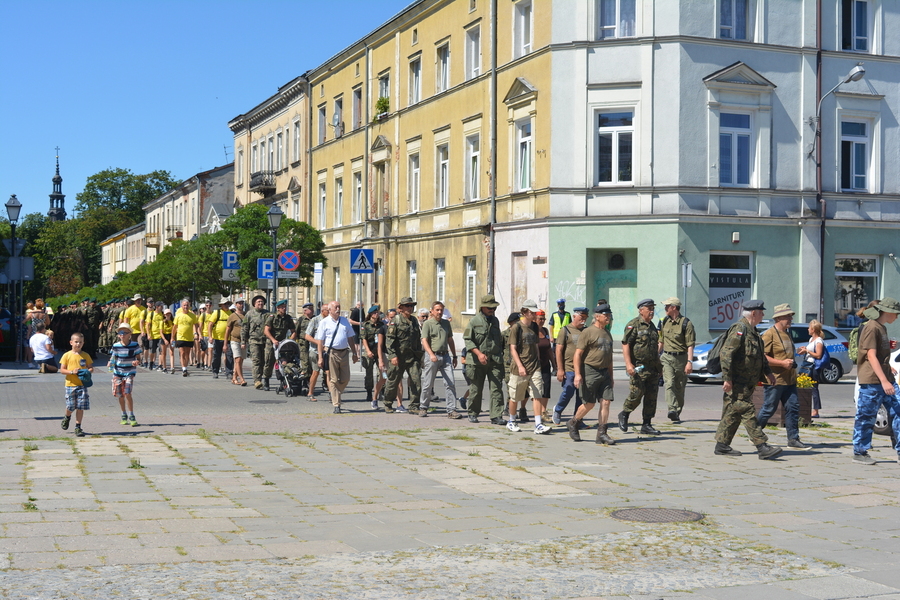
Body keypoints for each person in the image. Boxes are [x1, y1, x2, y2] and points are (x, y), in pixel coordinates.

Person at [714, 300, 782, 459]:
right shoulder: (740, 329)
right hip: (738, 382)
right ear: (753, 313)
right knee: (747, 410)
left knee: (732, 413)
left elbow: (760, 357)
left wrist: (768, 373)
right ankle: (762, 446)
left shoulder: (754, 332)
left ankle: (722, 445)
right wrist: (727, 378)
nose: (763, 315)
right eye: (761, 312)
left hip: (747, 381)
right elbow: (726, 354)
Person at [851, 297, 900, 465]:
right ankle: (860, 451)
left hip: (886, 378)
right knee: (866, 416)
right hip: (872, 380)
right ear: (887, 311)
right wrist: (884, 381)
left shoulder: (881, 328)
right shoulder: (872, 327)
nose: (897, 317)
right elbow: (870, 355)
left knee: (898, 410)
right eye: (896, 313)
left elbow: (879, 354)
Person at [756, 303, 809, 449]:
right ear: (779, 318)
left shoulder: (787, 333)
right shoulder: (769, 334)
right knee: (769, 408)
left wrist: (798, 353)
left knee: (793, 407)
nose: (791, 319)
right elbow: (763, 357)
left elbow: (786, 354)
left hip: (789, 379)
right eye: (788, 316)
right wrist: (781, 363)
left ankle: (793, 439)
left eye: (791, 316)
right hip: (775, 379)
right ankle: (755, 433)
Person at [569, 304, 616, 444]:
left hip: (605, 372)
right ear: (597, 316)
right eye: (605, 315)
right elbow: (577, 355)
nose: (608, 317)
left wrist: (611, 376)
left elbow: (609, 357)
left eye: (609, 315)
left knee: (606, 401)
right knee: (589, 404)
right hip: (590, 370)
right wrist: (578, 374)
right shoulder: (588, 332)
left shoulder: (607, 333)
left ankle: (602, 433)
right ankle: (574, 422)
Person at [618, 299, 663, 435]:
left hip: (653, 367)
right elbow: (626, 344)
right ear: (641, 310)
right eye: (648, 308)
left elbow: (655, 348)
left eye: (652, 308)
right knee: (636, 394)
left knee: (651, 397)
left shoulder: (652, 326)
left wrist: (659, 367)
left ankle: (647, 424)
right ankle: (624, 414)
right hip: (639, 367)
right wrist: (628, 364)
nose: (651, 311)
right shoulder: (634, 325)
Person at [506, 299, 551, 434]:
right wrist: (520, 365)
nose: (534, 315)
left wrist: (537, 359)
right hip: (519, 368)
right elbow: (513, 348)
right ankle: (512, 421)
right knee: (515, 396)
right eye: (532, 312)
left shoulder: (535, 327)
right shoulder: (517, 327)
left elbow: (536, 345)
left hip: (534, 367)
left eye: (535, 312)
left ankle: (538, 424)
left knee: (537, 394)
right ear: (525, 312)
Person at [463, 294, 504, 424]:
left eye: (494, 308)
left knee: (496, 389)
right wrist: (479, 354)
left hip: (494, 361)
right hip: (476, 362)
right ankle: (473, 413)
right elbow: (468, 340)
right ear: (483, 307)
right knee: (475, 389)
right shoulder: (474, 321)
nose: (492, 310)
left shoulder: (495, 321)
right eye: (490, 308)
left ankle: (496, 416)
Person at [315, 300, 359, 413]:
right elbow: (320, 341)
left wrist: (355, 353)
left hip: (344, 352)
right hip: (331, 353)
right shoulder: (324, 322)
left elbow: (350, 338)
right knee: (334, 379)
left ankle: (336, 392)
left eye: (339, 307)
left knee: (346, 378)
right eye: (335, 307)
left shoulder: (344, 321)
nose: (338, 309)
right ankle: (336, 405)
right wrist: (320, 357)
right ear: (329, 310)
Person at [383, 297, 424, 414]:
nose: (410, 308)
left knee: (416, 380)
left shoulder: (414, 321)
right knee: (393, 382)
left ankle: (414, 406)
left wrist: (420, 356)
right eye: (407, 306)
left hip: (412, 357)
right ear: (401, 307)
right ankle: (388, 403)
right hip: (398, 357)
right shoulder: (395, 320)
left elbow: (417, 339)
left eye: (411, 306)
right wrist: (392, 356)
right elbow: (389, 340)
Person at [420, 301, 460, 418]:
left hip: (445, 356)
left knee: (450, 382)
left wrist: (454, 356)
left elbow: (450, 340)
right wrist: (431, 354)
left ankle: (451, 410)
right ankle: (423, 407)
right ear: (432, 311)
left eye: (441, 310)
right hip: (433, 356)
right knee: (428, 383)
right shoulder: (428, 324)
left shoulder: (446, 323)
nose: (439, 312)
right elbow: (424, 340)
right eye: (437, 310)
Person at [658, 297, 696, 423]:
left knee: (679, 387)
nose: (665, 308)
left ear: (674, 307)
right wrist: (655, 356)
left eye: (667, 306)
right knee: (669, 383)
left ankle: (677, 412)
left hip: (681, 358)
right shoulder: (664, 322)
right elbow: (661, 341)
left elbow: (690, 345)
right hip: (667, 357)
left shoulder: (686, 323)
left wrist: (689, 362)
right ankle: (672, 409)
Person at [553, 307, 588, 424]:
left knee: (581, 396)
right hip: (569, 367)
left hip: (583, 368)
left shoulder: (586, 331)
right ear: (574, 316)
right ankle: (558, 410)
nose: (583, 320)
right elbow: (558, 350)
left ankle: (577, 419)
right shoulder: (566, 330)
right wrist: (560, 369)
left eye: (585, 318)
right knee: (568, 391)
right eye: (581, 317)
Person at [59, 332, 93, 438]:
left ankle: (78, 426)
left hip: (82, 385)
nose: (78, 344)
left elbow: (91, 367)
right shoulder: (67, 355)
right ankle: (67, 417)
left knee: (80, 406)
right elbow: (62, 370)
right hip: (70, 384)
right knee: (70, 405)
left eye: (80, 342)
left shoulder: (85, 355)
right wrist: (72, 372)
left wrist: (87, 371)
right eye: (76, 342)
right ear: (71, 342)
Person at [110, 323, 142, 427]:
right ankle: (123, 414)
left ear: (129, 334)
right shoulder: (116, 346)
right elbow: (113, 358)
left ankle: (131, 415)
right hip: (118, 373)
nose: (122, 335)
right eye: (120, 333)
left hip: (129, 372)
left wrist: (137, 361)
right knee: (120, 394)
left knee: (127, 393)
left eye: (124, 333)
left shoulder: (134, 345)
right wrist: (110, 363)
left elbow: (139, 358)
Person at [264, 300, 296, 392]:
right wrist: (273, 340)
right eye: (282, 307)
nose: (284, 308)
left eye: (285, 307)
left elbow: (293, 331)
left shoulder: (288, 318)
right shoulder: (272, 317)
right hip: (271, 342)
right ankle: (266, 380)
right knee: (269, 362)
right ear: (278, 308)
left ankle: (283, 381)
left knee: (283, 362)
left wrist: (291, 339)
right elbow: (266, 331)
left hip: (282, 343)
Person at [797, 320, 825, 418]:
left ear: (813, 330)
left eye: (809, 328)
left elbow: (818, 355)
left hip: (813, 367)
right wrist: (804, 350)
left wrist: (807, 350)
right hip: (807, 364)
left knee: (814, 388)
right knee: (804, 387)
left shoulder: (819, 341)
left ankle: (816, 411)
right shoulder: (811, 339)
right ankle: (804, 408)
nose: (808, 329)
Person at [361, 306, 386, 409]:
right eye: (374, 313)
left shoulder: (382, 325)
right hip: (370, 351)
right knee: (369, 373)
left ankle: (381, 392)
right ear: (371, 314)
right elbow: (364, 339)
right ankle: (369, 392)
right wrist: (367, 351)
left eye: (378, 312)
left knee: (381, 373)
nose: (376, 314)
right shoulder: (365, 325)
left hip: (379, 352)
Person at [304, 304, 330, 402]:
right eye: (328, 310)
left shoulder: (330, 321)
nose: (330, 312)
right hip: (315, 351)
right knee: (316, 372)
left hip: (327, 351)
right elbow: (307, 336)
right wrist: (319, 343)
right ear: (323, 311)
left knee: (328, 373)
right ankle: (310, 393)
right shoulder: (315, 320)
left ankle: (331, 394)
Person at [535, 310, 556, 420]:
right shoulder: (532, 331)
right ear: (535, 319)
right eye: (540, 319)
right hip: (534, 365)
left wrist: (554, 364)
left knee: (546, 388)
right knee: (536, 389)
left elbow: (549, 349)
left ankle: (543, 412)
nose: (542, 321)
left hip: (545, 364)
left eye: (544, 319)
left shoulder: (545, 331)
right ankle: (533, 411)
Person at [173, 299, 199, 377]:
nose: (186, 307)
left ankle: (185, 367)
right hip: (180, 336)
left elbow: (195, 325)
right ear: (182, 306)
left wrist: (195, 333)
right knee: (182, 352)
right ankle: (184, 369)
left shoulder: (192, 315)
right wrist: (172, 337)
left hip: (189, 337)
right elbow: (174, 327)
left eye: (187, 305)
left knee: (187, 353)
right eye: (184, 305)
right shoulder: (178, 315)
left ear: (189, 306)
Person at [208, 298, 231, 379]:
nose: (226, 305)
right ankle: (215, 371)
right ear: (221, 305)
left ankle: (229, 372)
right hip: (217, 338)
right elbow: (210, 324)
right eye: (225, 304)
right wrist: (210, 336)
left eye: (228, 304)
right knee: (216, 356)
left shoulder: (231, 313)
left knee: (229, 356)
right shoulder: (217, 313)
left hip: (228, 338)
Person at [225, 302, 247, 386]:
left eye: (242, 303)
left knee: (241, 360)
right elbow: (228, 330)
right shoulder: (232, 316)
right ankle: (242, 379)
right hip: (234, 340)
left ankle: (234, 378)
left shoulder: (246, 315)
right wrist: (225, 343)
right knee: (237, 360)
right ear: (236, 305)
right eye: (239, 304)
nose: (241, 305)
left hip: (244, 341)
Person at [296, 302, 315, 383]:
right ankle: (306, 380)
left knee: (312, 362)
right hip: (303, 343)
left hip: (313, 343)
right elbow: (296, 331)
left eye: (312, 309)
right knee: (305, 361)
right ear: (305, 311)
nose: (312, 311)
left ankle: (309, 380)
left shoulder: (315, 319)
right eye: (310, 309)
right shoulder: (301, 319)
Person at [146, 302, 166, 371]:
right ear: (157, 307)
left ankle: (160, 364)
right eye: (161, 306)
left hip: (160, 335)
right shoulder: (151, 314)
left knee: (161, 350)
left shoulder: (163, 314)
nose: (162, 307)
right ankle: (151, 362)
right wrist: (148, 334)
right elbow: (147, 325)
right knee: (152, 351)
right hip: (153, 335)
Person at [160, 307, 174, 374]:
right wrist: (165, 340)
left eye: (169, 314)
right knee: (164, 353)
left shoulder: (172, 322)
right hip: (164, 336)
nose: (168, 315)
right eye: (166, 314)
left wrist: (172, 338)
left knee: (171, 352)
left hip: (171, 336)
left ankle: (172, 367)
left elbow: (174, 331)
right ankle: (164, 367)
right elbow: (161, 332)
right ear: (164, 315)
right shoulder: (162, 322)